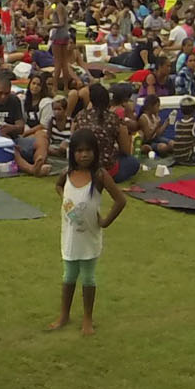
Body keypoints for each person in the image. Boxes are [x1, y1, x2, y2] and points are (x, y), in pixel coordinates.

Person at [48, 129, 125, 335]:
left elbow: (120, 200)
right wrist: (66, 201)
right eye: (79, 151)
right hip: (71, 236)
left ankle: (87, 318)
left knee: (88, 277)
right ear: (72, 152)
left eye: (88, 150)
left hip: (89, 236)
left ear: (95, 152)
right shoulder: (67, 173)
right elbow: (58, 186)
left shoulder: (99, 176)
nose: (84, 155)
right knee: (69, 275)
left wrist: (106, 221)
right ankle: (64, 315)